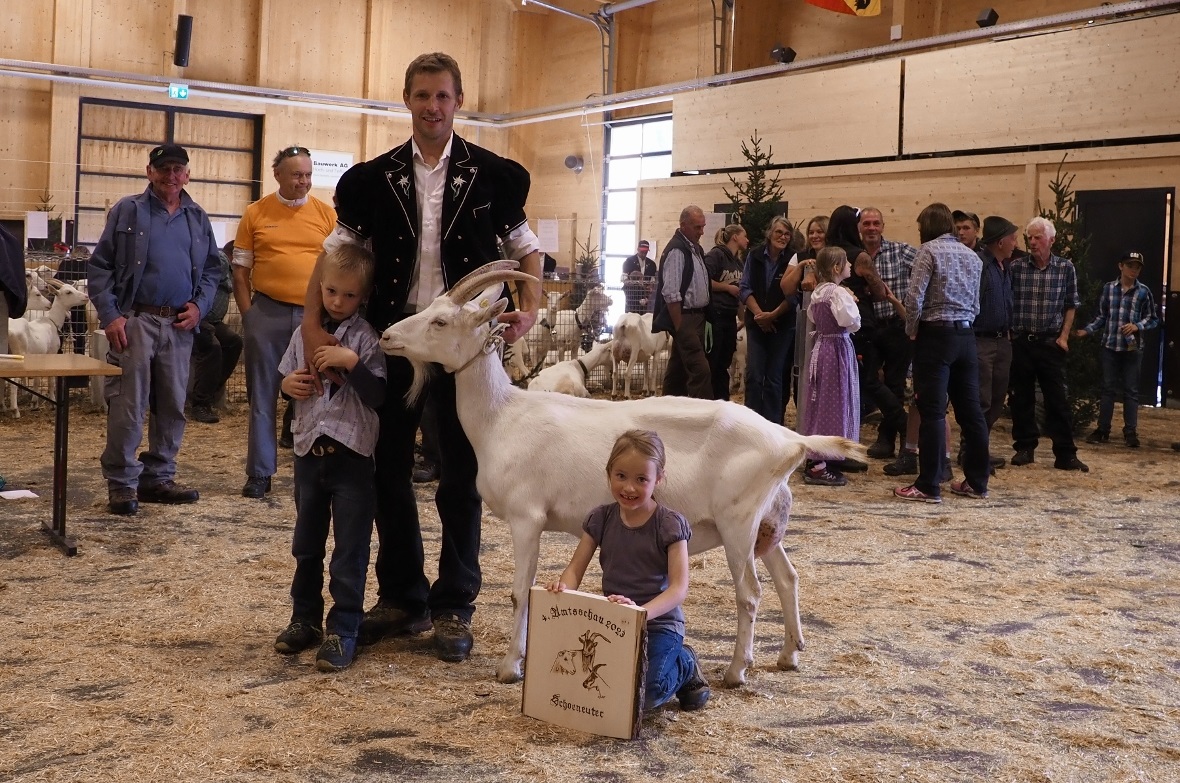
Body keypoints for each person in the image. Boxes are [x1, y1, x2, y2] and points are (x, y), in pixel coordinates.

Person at [302, 52, 542, 663]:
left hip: (463, 355)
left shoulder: (494, 175)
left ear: (458, 100)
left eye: (442, 96)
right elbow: (333, 258)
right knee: (385, 472)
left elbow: (525, 250)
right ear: (405, 100)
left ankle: (455, 604)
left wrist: (530, 310)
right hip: (393, 346)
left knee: (461, 477)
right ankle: (403, 596)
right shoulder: (370, 179)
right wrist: (311, 321)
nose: (432, 107)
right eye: (421, 96)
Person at [87, 144, 221, 516]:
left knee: (173, 406)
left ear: (188, 175)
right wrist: (112, 315)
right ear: (150, 172)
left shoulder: (197, 217)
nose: (171, 175)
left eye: (178, 169)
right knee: (128, 406)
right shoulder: (128, 210)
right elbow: (100, 267)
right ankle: (122, 483)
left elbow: (212, 271)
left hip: (179, 325)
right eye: (164, 169)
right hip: (137, 321)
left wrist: (199, 306)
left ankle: (158, 478)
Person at [273, 243, 386, 672]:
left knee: (350, 550)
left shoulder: (367, 339)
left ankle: (344, 629)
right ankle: (304, 619)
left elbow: (378, 397)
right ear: (319, 288)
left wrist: (351, 363)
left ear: (364, 297)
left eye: (349, 296)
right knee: (306, 545)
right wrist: (288, 388)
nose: (338, 302)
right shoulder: (302, 335)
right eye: (331, 291)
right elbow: (284, 377)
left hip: (352, 460)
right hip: (308, 456)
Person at [546, 429, 709, 713]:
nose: (629, 488)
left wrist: (641, 613)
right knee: (607, 688)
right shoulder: (600, 518)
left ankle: (685, 662)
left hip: (658, 625)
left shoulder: (670, 524)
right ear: (609, 473)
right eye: (621, 476)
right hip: (614, 624)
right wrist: (563, 588)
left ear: (658, 478)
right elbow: (575, 569)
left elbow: (678, 588)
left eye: (641, 479)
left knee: (646, 695)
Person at [233, 146, 337, 499]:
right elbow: (240, 270)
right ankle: (260, 472)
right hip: (267, 313)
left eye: (308, 175)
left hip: (313, 316)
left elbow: (337, 266)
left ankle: (317, 469)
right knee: (262, 395)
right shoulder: (255, 213)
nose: (303, 182)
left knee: (317, 391)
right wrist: (250, 316)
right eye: (296, 175)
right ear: (277, 175)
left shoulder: (327, 215)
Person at [893, 203, 990, 504]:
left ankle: (928, 484)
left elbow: (914, 296)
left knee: (933, 411)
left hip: (935, 335)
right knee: (971, 412)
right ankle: (976, 482)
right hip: (965, 335)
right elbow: (976, 303)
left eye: (921, 226)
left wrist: (911, 329)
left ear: (929, 226)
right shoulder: (972, 255)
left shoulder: (929, 251)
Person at [1009, 216, 1088, 471]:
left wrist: (1064, 337)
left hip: (1050, 342)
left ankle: (1065, 453)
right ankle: (1024, 447)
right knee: (1021, 399)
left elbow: (1071, 304)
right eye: (1029, 237)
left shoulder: (1065, 268)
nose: (1032, 242)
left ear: (1051, 240)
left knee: (1057, 400)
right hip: (1022, 341)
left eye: (1037, 237)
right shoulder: (1017, 268)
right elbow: (1008, 301)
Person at [1074, 251, 1159, 448]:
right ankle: (1103, 429)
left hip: (1132, 349)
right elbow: (1102, 316)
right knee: (1107, 389)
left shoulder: (1144, 292)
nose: (1134, 270)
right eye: (1130, 266)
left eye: (1137, 267)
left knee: (1131, 391)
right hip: (1110, 346)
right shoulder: (1108, 289)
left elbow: (1153, 318)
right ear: (1121, 266)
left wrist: (1138, 325)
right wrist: (1087, 330)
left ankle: (1130, 432)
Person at [858, 207, 917, 460]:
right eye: (866, 223)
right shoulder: (855, 255)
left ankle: (886, 440)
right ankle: (904, 426)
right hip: (868, 328)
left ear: (883, 226)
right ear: (859, 227)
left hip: (896, 327)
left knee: (894, 384)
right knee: (869, 381)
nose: (871, 228)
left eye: (875, 223)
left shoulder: (901, 251)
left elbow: (927, 271)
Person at [799, 247, 860, 487]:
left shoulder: (819, 292)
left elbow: (814, 318)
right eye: (847, 263)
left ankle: (826, 454)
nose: (851, 266)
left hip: (822, 347)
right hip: (837, 350)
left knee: (821, 401)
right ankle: (819, 463)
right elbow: (851, 323)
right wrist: (852, 302)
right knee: (834, 401)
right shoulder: (838, 293)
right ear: (837, 268)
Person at [965, 216, 1018, 468]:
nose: (1015, 243)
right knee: (981, 399)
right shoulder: (982, 267)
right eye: (1012, 238)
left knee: (997, 398)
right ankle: (971, 451)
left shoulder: (1002, 266)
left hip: (1001, 341)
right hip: (982, 341)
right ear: (1000, 241)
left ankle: (979, 447)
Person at [739, 216, 797, 423]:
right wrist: (760, 316)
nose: (782, 237)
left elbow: (793, 296)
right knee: (754, 375)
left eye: (787, 234)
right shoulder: (753, 255)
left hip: (782, 325)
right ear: (769, 233)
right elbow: (745, 288)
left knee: (774, 377)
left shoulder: (793, 258)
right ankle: (750, 423)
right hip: (756, 324)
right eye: (779, 232)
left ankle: (773, 425)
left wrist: (772, 316)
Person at [653, 206, 712, 399]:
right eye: (697, 227)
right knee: (700, 371)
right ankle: (701, 417)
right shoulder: (677, 251)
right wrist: (679, 326)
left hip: (696, 318)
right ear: (683, 225)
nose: (701, 232)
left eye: (702, 227)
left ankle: (667, 412)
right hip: (685, 318)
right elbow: (670, 293)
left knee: (677, 372)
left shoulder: (694, 249)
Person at [188, 241, 243, 424]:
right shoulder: (220, 260)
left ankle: (210, 391)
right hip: (197, 317)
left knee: (234, 342)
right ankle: (200, 404)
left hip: (211, 320)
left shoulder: (227, 267)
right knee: (212, 347)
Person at [704, 224, 748, 400]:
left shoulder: (738, 262)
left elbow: (738, 291)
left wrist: (742, 317)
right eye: (745, 236)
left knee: (725, 363)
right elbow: (704, 279)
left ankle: (722, 402)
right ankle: (709, 401)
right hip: (715, 316)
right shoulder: (717, 255)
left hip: (730, 317)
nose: (747, 240)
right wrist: (726, 288)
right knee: (713, 363)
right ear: (735, 237)